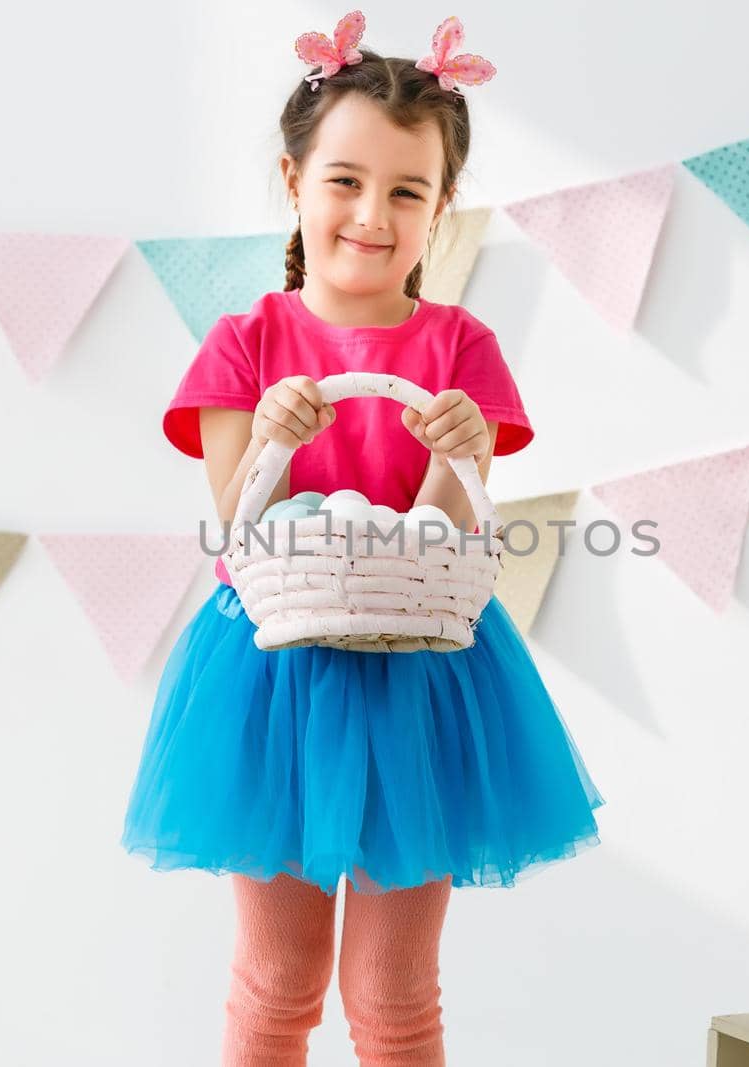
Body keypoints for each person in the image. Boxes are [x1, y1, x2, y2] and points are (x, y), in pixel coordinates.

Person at [121, 12, 604, 1065]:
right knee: (277, 979)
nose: (371, 214)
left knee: (392, 990)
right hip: (273, 677)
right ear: (293, 181)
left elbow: (444, 534)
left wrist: (452, 449)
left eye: (405, 190)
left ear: (440, 209)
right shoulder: (247, 341)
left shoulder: (459, 346)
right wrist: (279, 445)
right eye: (344, 180)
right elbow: (243, 528)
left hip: (419, 676)